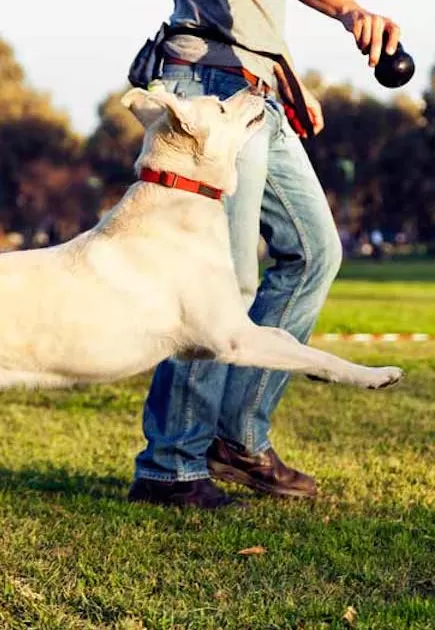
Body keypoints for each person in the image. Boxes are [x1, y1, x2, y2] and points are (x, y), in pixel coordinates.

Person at [127, 0, 404, 508]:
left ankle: (237, 440)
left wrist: (282, 72)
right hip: (208, 89)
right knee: (222, 286)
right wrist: (346, 11)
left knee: (314, 252)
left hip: (254, 89)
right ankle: (170, 466)